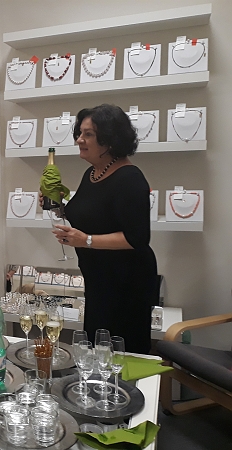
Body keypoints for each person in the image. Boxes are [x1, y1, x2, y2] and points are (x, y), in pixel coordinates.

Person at [52, 104, 158, 354]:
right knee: (96, 347)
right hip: (99, 279)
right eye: (80, 133)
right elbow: (92, 215)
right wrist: (57, 206)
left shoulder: (130, 179)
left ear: (111, 140)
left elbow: (137, 238)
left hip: (126, 282)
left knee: (121, 352)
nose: (79, 140)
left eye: (88, 134)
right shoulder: (92, 174)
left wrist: (86, 240)